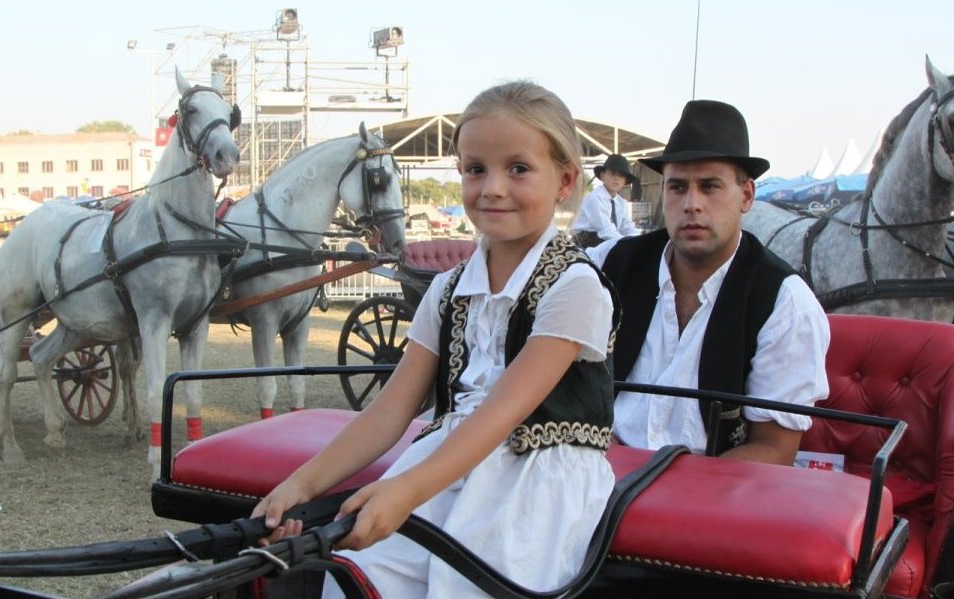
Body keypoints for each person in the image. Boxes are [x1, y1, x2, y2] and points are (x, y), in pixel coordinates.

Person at [252, 81, 618, 597]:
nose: (491, 187)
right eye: (475, 169)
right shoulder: (448, 291)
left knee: (470, 585)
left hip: (536, 479)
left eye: (518, 168)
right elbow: (390, 411)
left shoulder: (575, 287)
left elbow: (501, 415)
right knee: (359, 579)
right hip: (448, 460)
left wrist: (404, 490)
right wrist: (302, 484)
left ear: (564, 181)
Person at [588, 100, 829, 465]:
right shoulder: (610, 264)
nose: (691, 204)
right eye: (678, 187)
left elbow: (774, 449)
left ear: (746, 195)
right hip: (596, 475)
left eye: (710, 186)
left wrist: (667, 492)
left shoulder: (783, 302)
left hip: (712, 498)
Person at [569, 153, 640, 248]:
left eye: (621, 175)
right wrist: (626, 243)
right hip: (585, 245)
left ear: (625, 182)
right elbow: (605, 230)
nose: (617, 178)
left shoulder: (622, 203)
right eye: (612, 173)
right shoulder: (595, 198)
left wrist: (638, 241)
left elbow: (628, 228)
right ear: (602, 176)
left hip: (608, 242)